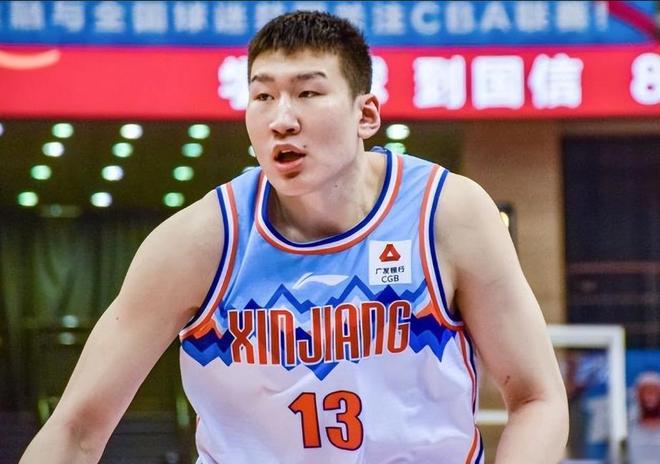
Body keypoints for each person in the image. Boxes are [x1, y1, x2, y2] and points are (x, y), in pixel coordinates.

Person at [20, 10, 568, 464]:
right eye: (263, 96)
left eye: (307, 92)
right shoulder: (196, 242)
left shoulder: (448, 214)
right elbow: (76, 427)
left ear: (366, 114)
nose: (281, 119)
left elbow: (537, 398)